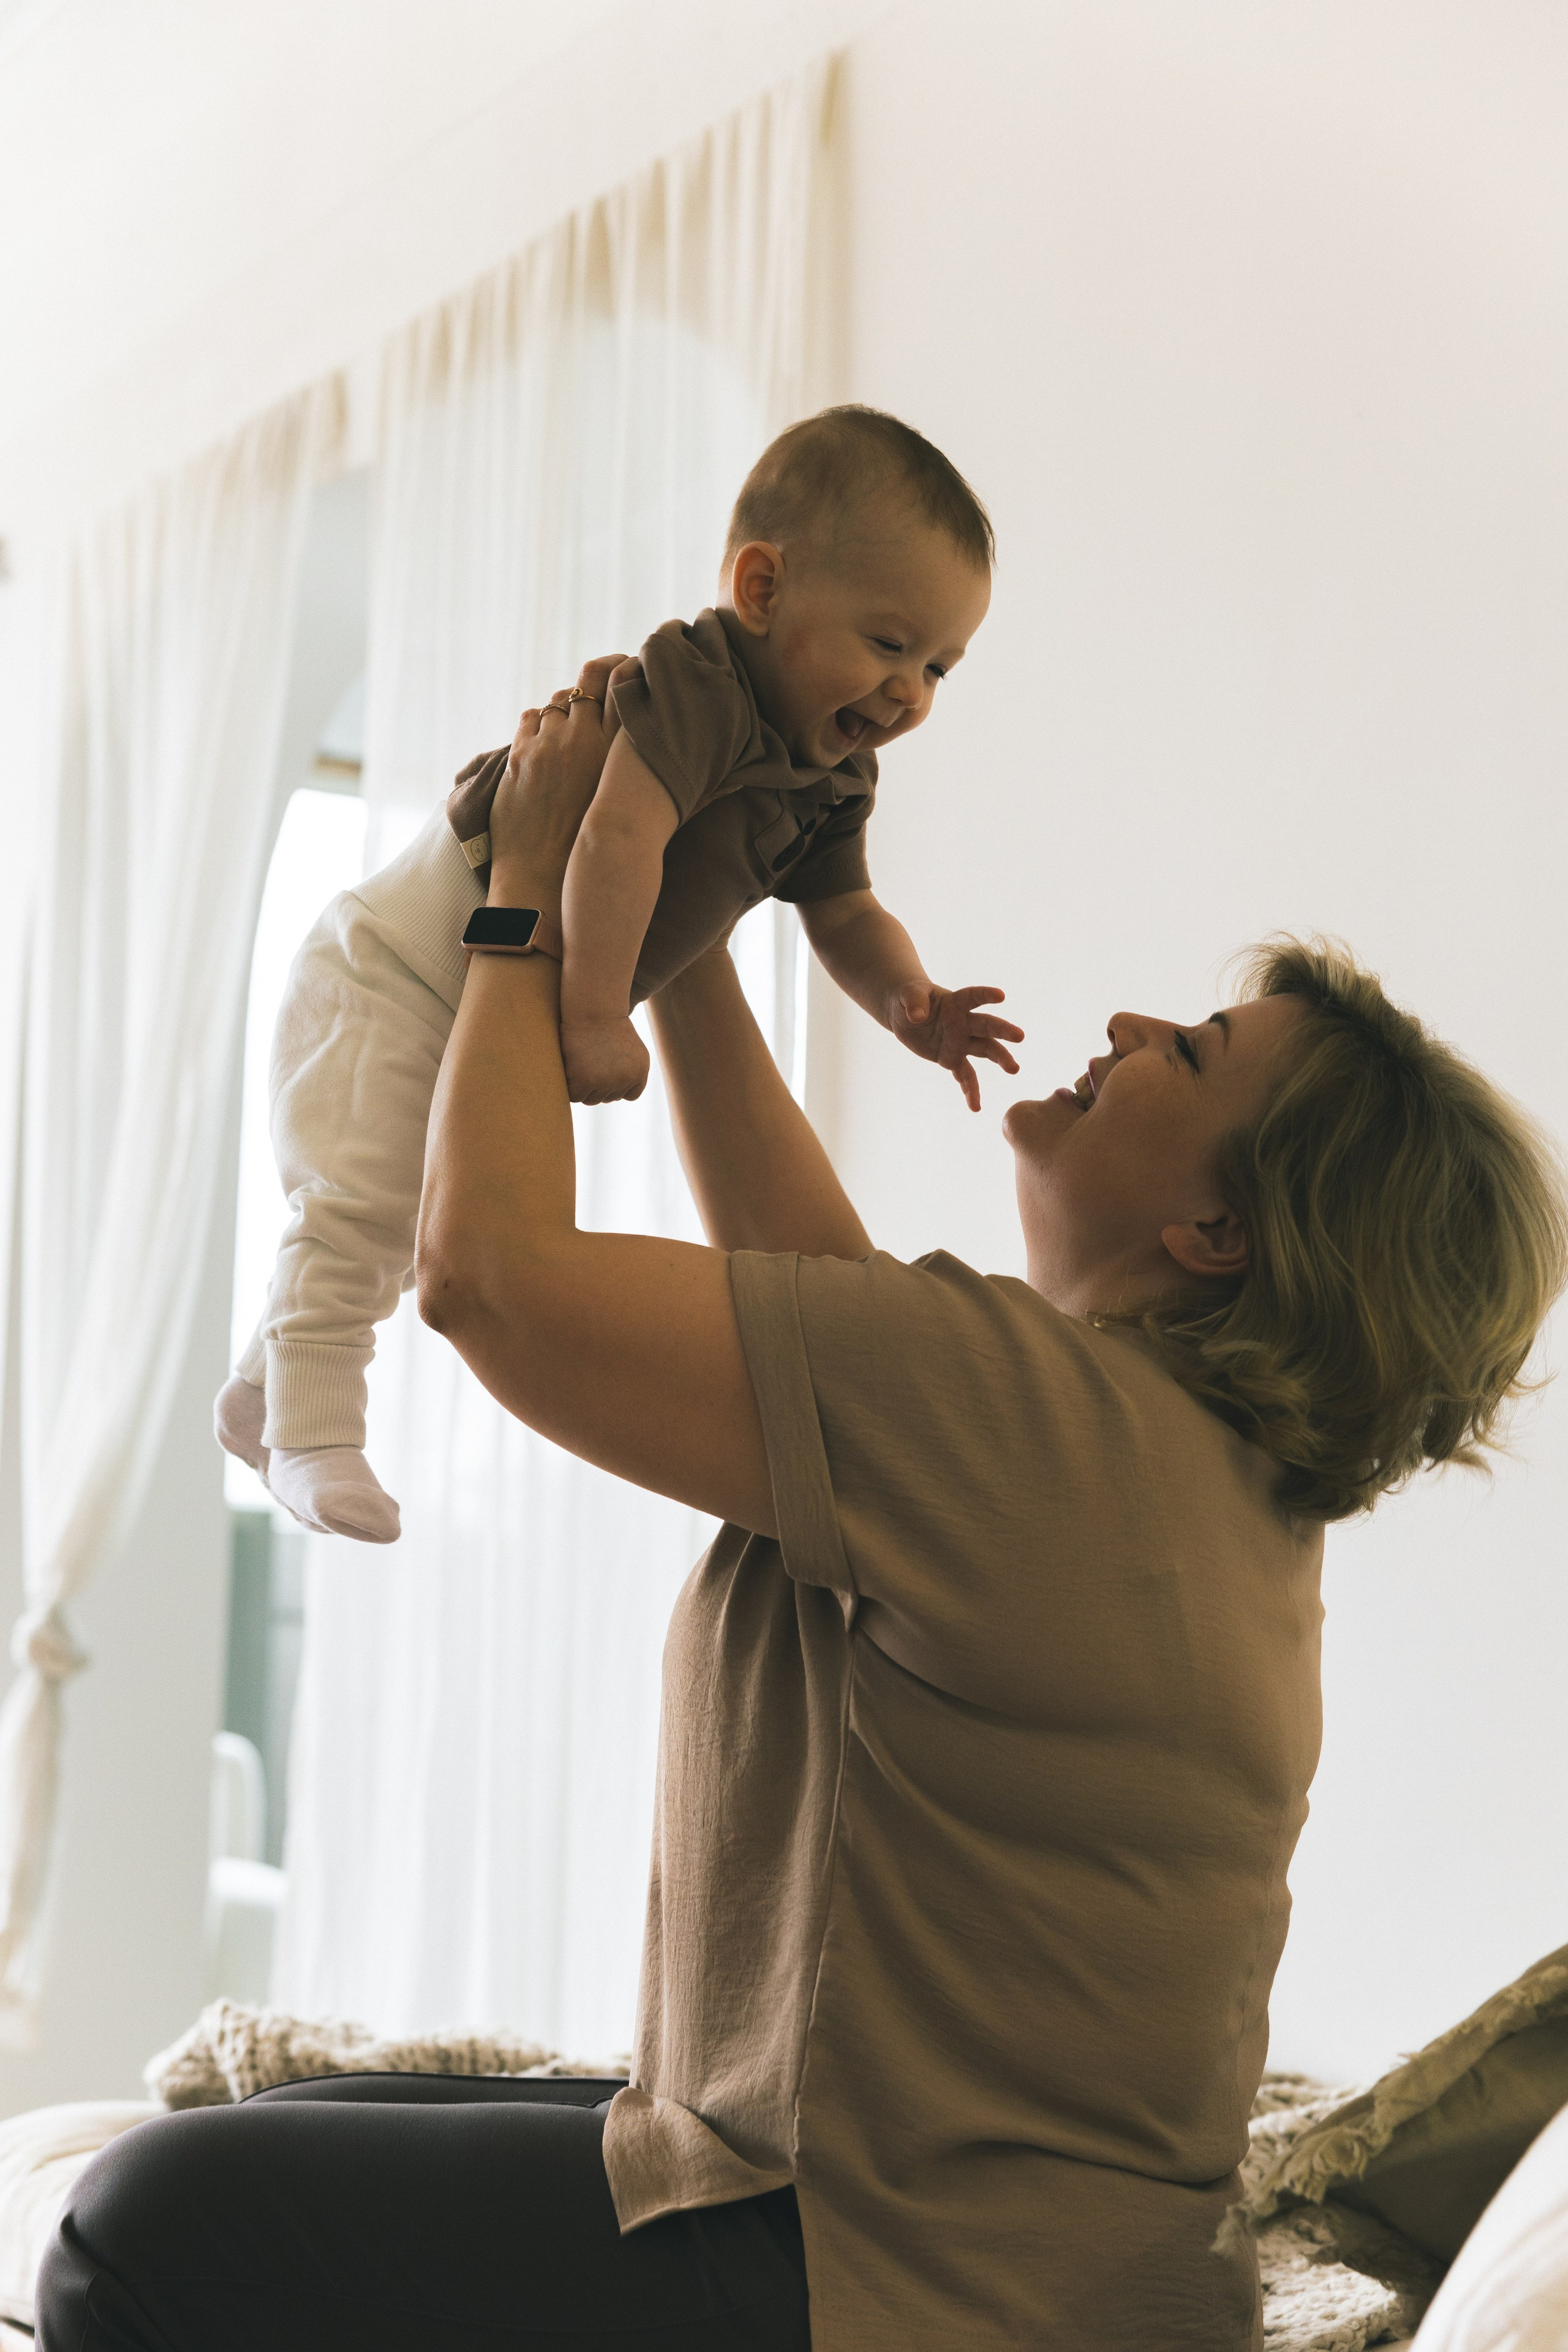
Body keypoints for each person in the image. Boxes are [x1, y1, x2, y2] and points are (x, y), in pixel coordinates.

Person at [43, 672, 1566, 2352]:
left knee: (140, 2231)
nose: (1132, 1029)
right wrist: (683, 892)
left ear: (1220, 1234)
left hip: (890, 2293)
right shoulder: (1156, 1465)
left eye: (1189, 1056)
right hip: (992, 2257)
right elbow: (806, 1281)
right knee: (253, 2146)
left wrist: (522, 912)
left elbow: (488, 1285)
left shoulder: (1032, 1426)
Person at [214, 406, 1017, 1545]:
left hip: (476, 1001)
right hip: (396, 972)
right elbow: (615, 842)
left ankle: (259, 1391)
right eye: (889, 646)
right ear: (761, 589)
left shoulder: (831, 780)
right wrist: (593, 1014)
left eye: (940, 666)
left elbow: (847, 911)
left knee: (391, 1226)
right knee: (370, 1207)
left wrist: (911, 1003)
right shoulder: (698, 684)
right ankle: (310, 1430)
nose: (911, 694)